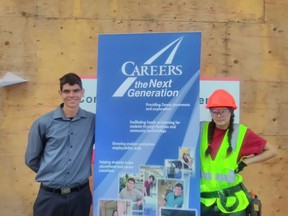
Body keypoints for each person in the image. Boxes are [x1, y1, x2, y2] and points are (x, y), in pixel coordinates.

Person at [25, 73, 95, 216]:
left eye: (76, 90)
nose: (72, 95)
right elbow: (31, 160)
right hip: (50, 197)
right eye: (67, 91)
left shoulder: (92, 121)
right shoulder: (43, 123)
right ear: (60, 93)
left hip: (80, 196)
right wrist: (52, 173)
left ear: (82, 93)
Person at [200, 89, 277, 216]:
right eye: (215, 111)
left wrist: (244, 163)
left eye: (223, 111)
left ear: (231, 112)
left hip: (233, 205)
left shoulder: (241, 133)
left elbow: (272, 151)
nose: (219, 115)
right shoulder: (201, 129)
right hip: (205, 204)